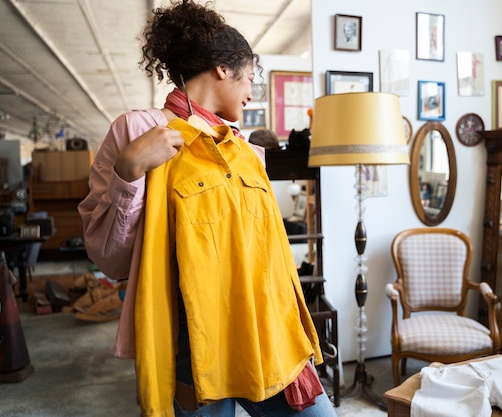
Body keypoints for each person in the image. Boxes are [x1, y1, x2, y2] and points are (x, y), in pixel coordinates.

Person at [77, 2, 336, 416]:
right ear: (222, 69)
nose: (252, 92)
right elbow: (109, 258)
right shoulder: (140, 129)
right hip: (194, 340)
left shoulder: (244, 148)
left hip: (266, 327)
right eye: (250, 78)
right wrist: (129, 172)